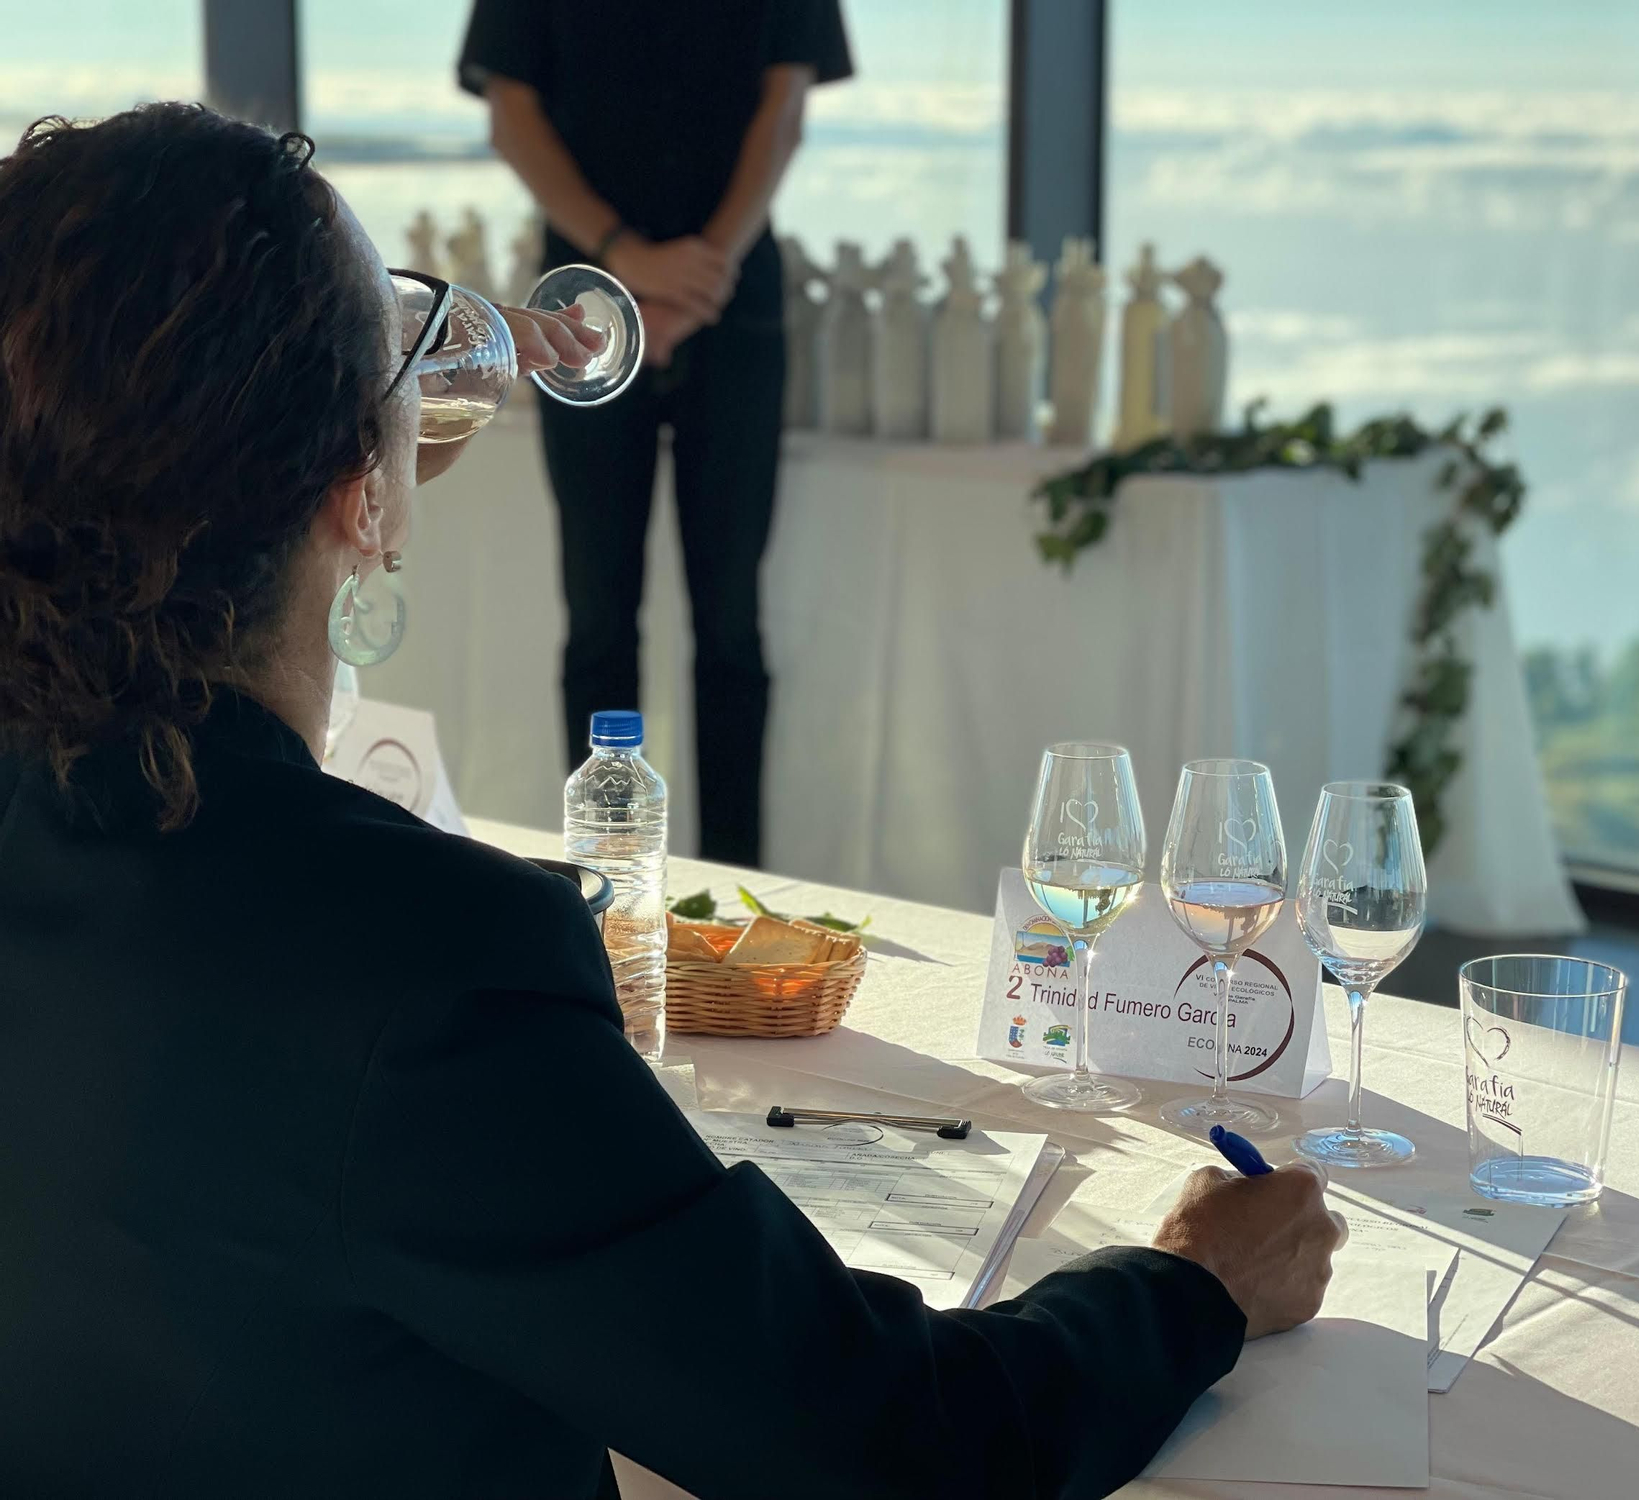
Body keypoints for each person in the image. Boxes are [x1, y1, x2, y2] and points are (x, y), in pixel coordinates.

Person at [0, 107, 1347, 1500]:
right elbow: (896, 1444)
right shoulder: (426, 965)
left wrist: (373, 434)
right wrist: (1191, 1286)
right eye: (401, 344)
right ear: (356, 486)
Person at [457, 0, 848, 867]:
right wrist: (626, 261)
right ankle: (601, 883)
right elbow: (511, 117)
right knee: (598, 614)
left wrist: (699, 272)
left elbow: (784, 110)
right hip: (585, 303)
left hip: (731, 297)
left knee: (733, 625)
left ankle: (742, 883)